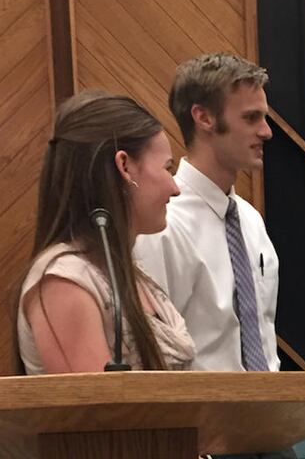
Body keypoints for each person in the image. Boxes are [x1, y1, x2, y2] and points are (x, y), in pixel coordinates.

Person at [15, 90, 194, 374]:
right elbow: (99, 401)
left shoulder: (127, 271)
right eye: (167, 168)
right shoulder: (65, 280)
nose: (175, 188)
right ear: (124, 166)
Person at [134, 52, 280, 372]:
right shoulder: (161, 223)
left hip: (270, 400)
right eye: (251, 118)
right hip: (198, 402)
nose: (266, 131)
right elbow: (152, 354)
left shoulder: (250, 220)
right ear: (204, 118)